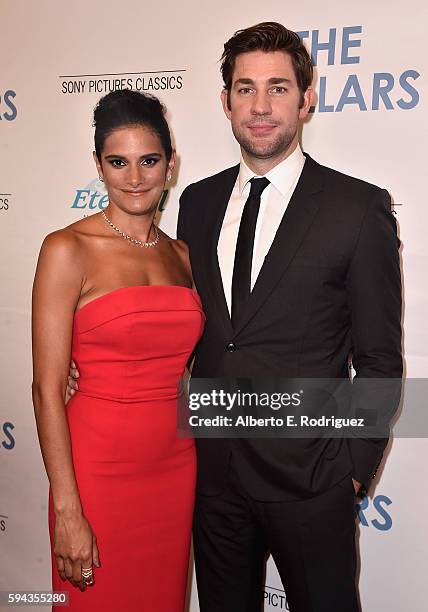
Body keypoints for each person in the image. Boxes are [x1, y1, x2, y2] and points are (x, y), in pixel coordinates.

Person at [68, 22, 402, 612]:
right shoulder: (196, 201)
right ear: (225, 102)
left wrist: (352, 472)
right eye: (245, 89)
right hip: (210, 477)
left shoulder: (357, 207)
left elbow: (378, 358)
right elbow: (191, 329)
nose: (261, 106)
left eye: (277, 87)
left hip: (311, 482)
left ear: (307, 97)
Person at [32, 89, 205, 611]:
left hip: (174, 466)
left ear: (170, 165)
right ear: (98, 165)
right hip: (96, 473)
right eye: (118, 162)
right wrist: (67, 509)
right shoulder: (67, 249)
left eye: (149, 160)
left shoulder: (182, 254)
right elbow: (45, 389)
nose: (134, 178)